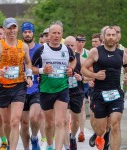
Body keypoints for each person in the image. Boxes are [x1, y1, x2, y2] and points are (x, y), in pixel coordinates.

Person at [0, 17, 33, 150]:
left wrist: (29, 76)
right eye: (9, 28)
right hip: (3, 87)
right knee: (6, 123)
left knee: (15, 121)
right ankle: (10, 143)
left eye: (14, 28)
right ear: (4, 30)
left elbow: (28, 62)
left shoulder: (23, 46)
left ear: (17, 29)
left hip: (19, 86)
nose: (12, 31)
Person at [32, 21, 76, 150]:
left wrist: (71, 69)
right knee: (49, 123)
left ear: (61, 35)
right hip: (46, 89)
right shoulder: (41, 50)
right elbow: (31, 67)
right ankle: (50, 145)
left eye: (58, 33)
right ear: (49, 35)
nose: (56, 36)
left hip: (62, 88)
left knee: (60, 121)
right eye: (53, 33)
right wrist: (42, 70)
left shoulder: (67, 50)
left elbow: (73, 61)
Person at [81, 26, 127, 150]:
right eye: (108, 35)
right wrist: (95, 75)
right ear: (103, 37)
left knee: (115, 125)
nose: (111, 37)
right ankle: (99, 137)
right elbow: (83, 69)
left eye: (113, 35)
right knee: (101, 129)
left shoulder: (122, 54)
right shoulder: (96, 52)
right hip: (99, 94)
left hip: (116, 93)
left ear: (117, 37)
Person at [20, 22, 41, 150]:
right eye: (25, 32)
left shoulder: (40, 49)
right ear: (22, 33)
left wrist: (41, 74)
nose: (27, 34)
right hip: (20, 90)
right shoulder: (18, 48)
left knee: (34, 118)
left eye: (29, 31)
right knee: (23, 123)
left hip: (36, 89)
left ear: (33, 33)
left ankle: (34, 137)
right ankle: (26, 148)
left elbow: (46, 67)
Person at [64, 36, 85, 150]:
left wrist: (80, 77)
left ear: (76, 46)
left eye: (72, 45)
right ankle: (67, 146)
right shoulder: (60, 58)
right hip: (63, 92)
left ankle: (72, 137)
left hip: (77, 92)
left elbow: (88, 75)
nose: (70, 47)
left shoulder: (80, 58)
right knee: (66, 119)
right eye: (68, 45)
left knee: (75, 120)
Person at [76, 34, 89, 142]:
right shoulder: (72, 52)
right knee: (73, 109)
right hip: (73, 83)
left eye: (82, 41)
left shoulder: (88, 53)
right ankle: (72, 126)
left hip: (84, 82)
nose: (80, 43)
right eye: (78, 41)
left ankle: (82, 132)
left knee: (82, 107)